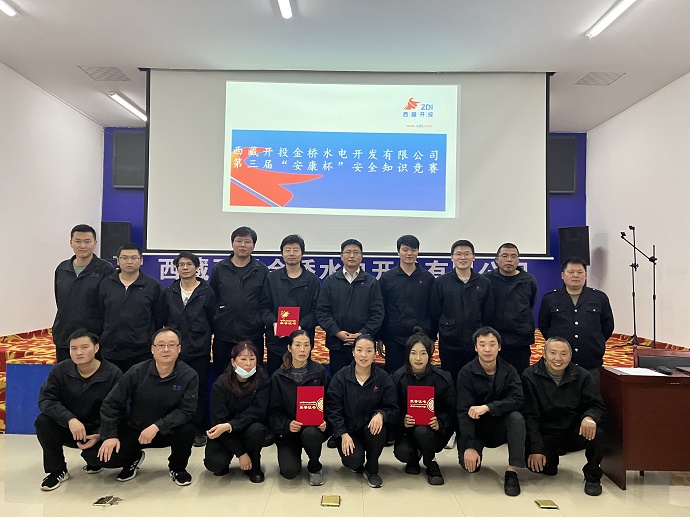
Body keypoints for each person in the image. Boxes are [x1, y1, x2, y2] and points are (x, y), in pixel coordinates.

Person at [87, 328, 198, 486]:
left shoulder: (189, 375)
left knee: (188, 430)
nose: (166, 349)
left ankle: (177, 468)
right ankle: (133, 457)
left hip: (168, 430)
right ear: (152, 349)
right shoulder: (136, 372)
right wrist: (109, 435)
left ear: (179, 348)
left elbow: (186, 411)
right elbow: (111, 403)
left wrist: (157, 426)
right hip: (136, 429)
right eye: (161, 345)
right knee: (96, 457)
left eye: (171, 345)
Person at [35, 329, 122, 490]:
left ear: (96, 348)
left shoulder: (113, 373)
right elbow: (46, 399)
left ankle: (102, 460)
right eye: (73, 348)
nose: (78, 352)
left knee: (101, 459)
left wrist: (101, 433)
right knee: (43, 422)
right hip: (71, 427)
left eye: (84, 347)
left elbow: (120, 409)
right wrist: (69, 419)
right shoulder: (60, 370)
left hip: (98, 430)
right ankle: (57, 470)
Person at [522, 336, 607, 496]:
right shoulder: (530, 375)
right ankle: (551, 459)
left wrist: (589, 417)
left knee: (597, 433)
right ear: (544, 354)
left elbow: (597, 405)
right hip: (546, 432)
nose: (558, 358)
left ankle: (593, 477)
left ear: (570, 355)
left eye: (563, 354)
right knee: (541, 468)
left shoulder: (582, 375)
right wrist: (535, 448)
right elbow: (530, 415)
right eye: (553, 353)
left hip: (572, 431)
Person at [155, 251, 216, 447]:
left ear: (197, 268)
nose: (185, 268)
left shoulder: (207, 292)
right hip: (173, 351)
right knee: (171, 388)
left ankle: (197, 429)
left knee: (198, 389)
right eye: (181, 264)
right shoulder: (169, 292)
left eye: (189, 264)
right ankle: (170, 426)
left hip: (199, 349)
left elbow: (213, 319)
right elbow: (161, 319)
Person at [456, 327, 526, 496]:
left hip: (500, 425)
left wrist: (489, 407)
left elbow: (518, 399)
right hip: (476, 429)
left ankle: (512, 471)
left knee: (517, 418)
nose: (487, 349)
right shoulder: (466, 373)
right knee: (470, 468)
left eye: (492, 344)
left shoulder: (509, 370)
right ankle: (473, 449)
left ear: (499, 347)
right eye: (482, 344)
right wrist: (469, 446)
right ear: (476, 347)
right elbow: (463, 411)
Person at [325, 334, 398, 488]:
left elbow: (393, 409)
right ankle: (358, 463)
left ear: (375, 353)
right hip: (348, 431)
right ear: (353, 352)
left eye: (369, 350)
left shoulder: (383, 378)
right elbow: (333, 409)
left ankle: (372, 468)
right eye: (359, 350)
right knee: (353, 461)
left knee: (378, 429)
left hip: (371, 429)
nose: (363, 355)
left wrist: (382, 414)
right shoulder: (341, 377)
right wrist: (342, 433)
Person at [391, 328, 455, 486]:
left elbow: (452, 410)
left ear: (430, 354)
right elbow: (391, 408)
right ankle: (414, 457)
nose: (418, 358)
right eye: (413, 353)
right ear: (407, 354)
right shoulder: (398, 377)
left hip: (434, 432)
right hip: (407, 431)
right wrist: (402, 421)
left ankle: (431, 462)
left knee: (422, 431)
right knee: (402, 452)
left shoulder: (442, 378)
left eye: (423, 353)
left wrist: (440, 422)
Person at [538, 258, 614, 386]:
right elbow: (544, 325)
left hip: (590, 361)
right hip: (560, 363)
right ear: (563, 275)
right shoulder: (550, 298)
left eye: (580, 272)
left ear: (585, 275)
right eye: (571, 272)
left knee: (591, 395)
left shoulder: (599, 298)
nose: (575, 275)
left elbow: (607, 326)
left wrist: (594, 341)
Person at [268, 330, 330, 485]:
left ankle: (315, 466)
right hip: (288, 431)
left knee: (311, 434)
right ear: (289, 348)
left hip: (312, 429)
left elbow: (330, 403)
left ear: (311, 348)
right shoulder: (278, 376)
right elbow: (273, 411)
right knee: (289, 472)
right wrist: (287, 424)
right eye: (297, 345)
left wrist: (325, 421)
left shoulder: (320, 372)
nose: (302, 350)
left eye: (306, 345)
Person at [204, 341, 270, 483]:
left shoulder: (262, 380)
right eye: (243, 359)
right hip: (225, 431)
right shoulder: (220, 384)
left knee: (257, 429)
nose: (248, 363)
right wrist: (241, 453)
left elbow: (258, 411)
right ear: (233, 362)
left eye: (252, 359)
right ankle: (234, 455)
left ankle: (255, 465)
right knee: (215, 464)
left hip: (248, 427)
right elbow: (218, 420)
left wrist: (231, 425)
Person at [429, 239, 494, 384]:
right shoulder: (441, 282)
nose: (462, 257)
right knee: (450, 380)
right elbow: (434, 312)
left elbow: (488, 313)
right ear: (452, 257)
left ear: (474, 257)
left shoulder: (483, 282)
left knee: (474, 380)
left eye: (467, 254)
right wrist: (433, 337)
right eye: (458, 254)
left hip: (475, 343)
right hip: (449, 342)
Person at [316, 239, 384, 375]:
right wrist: (337, 332)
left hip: (364, 345)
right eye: (348, 252)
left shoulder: (371, 282)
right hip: (337, 344)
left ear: (361, 256)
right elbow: (322, 312)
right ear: (341, 256)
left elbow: (378, 313)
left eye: (356, 252)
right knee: (338, 380)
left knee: (363, 378)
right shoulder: (330, 282)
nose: (352, 256)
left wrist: (362, 334)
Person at [210, 226, 269, 376]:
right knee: (223, 376)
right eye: (239, 241)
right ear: (232, 243)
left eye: (247, 242)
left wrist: (258, 320)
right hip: (223, 334)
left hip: (252, 334)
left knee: (252, 376)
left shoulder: (261, 270)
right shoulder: (220, 268)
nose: (243, 245)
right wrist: (218, 318)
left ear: (253, 246)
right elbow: (212, 298)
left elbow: (266, 301)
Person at [52, 224, 115, 363]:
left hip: (93, 337)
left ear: (95, 243)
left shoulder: (105, 269)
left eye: (87, 241)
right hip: (64, 334)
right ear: (71, 243)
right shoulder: (62, 268)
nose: (82, 246)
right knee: (65, 373)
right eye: (78, 241)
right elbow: (59, 300)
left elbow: (109, 305)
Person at [260, 234, 320, 375]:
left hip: (302, 342)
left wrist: (300, 326)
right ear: (282, 253)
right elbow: (263, 307)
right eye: (287, 250)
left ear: (302, 253)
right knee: (275, 379)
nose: (291, 253)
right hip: (276, 342)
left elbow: (317, 311)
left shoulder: (312, 280)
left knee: (302, 379)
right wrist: (274, 323)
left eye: (295, 250)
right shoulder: (272, 278)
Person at [98, 243, 161, 372]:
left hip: (141, 351)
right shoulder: (106, 283)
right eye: (124, 258)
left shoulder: (152, 285)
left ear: (141, 261)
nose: (129, 262)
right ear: (118, 260)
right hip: (111, 349)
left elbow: (158, 317)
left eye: (134, 258)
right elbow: (101, 313)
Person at [378, 235, 435, 373]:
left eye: (413, 250)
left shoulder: (428, 278)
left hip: (421, 338)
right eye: (405, 250)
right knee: (394, 375)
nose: (409, 253)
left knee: (420, 375)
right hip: (394, 338)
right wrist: (379, 337)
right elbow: (381, 309)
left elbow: (434, 310)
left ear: (418, 252)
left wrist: (432, 337)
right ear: (398, 252)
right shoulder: (387, 278)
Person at [484, 243, 538, 374]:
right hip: (493, 340)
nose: (509, 260)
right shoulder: (486, 280)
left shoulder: (528, 280)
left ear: (518, 260)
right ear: (496, 260)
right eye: (505, 256)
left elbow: (531, 305)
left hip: (520, 341)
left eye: (513, 256)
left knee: (519, 378)